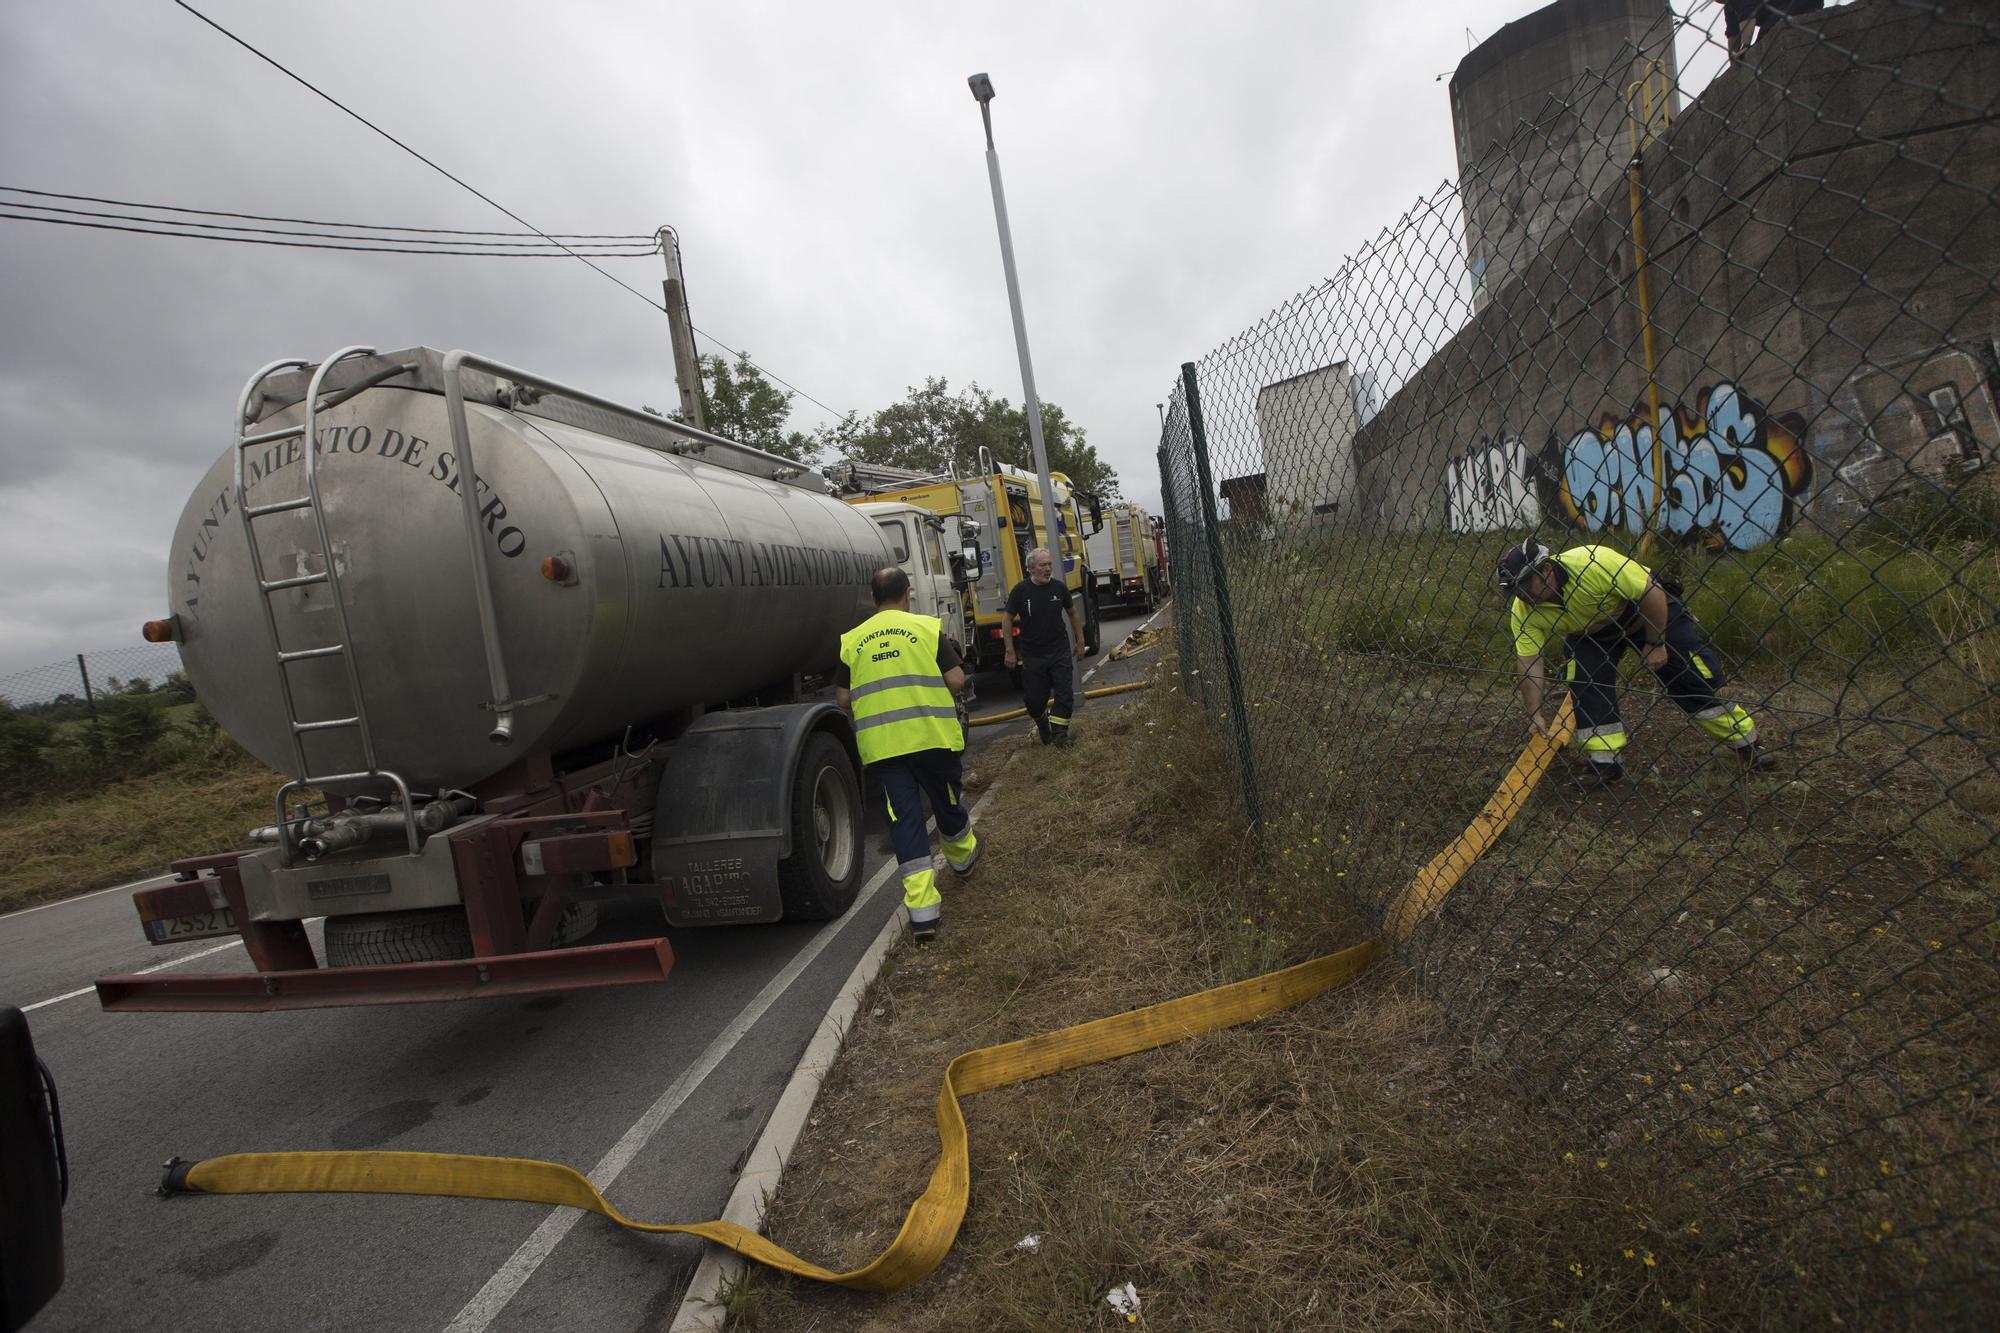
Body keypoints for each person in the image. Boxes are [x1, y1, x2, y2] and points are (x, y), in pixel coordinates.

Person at [1496, 540, 1774, 785]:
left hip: (1646, 612)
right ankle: (1604, 761)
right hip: (1593, 633)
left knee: (1690, 676)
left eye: (1524, 586)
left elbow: (1651, 593)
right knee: (1584, 680)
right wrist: (1535, 712)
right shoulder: (1524, 610)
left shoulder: (1593, 562)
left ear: (1545, 570)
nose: (1522, 596)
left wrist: (1655, 643)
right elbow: (1530, 662)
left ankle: (1747, 745)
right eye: (1515, 592)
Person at [836, 566, 978, 944]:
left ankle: (923, 915)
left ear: (872, 597)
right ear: (907, 594)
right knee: (947, 803)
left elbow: (843, 698)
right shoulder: (926, 629)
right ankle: (963, 860)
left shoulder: (852, 641)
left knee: (904, 823)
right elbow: (956, 680)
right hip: (930, 738)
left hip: (884, 749)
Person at [1002, 546, 1087, 746]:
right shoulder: (1020, 591)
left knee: (1065, 693)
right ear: (1031, 568)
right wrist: (1010, 650)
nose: (1048, 569)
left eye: (1049, 564)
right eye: (1043, 565)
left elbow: (1073, 614)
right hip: (1033, 654)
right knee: (1035, 701)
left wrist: (1080, 641)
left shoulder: (1059, 588)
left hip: (1059, 650)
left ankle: (1060, 736)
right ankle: (1042, 723)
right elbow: (1006, 619)